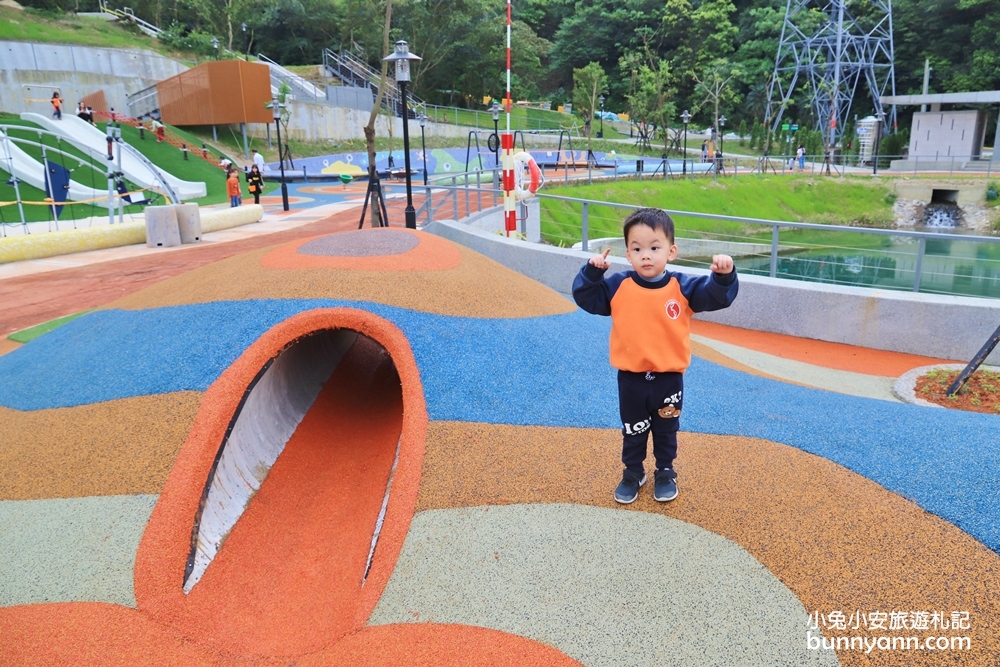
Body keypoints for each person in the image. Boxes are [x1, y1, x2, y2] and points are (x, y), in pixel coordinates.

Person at [572, 208, 739, 504]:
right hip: (631, 379)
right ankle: (633, 471)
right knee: (633, 429)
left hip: (668, 379)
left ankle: (665, 470)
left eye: (654, 247)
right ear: (628, 253)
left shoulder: (682, 287)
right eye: (637, 249)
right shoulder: (617, 286)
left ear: (671, 251)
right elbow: (587, 298)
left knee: (666, 428)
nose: (645, 255)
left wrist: (724, 277)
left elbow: (715, 296)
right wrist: (592, 273)